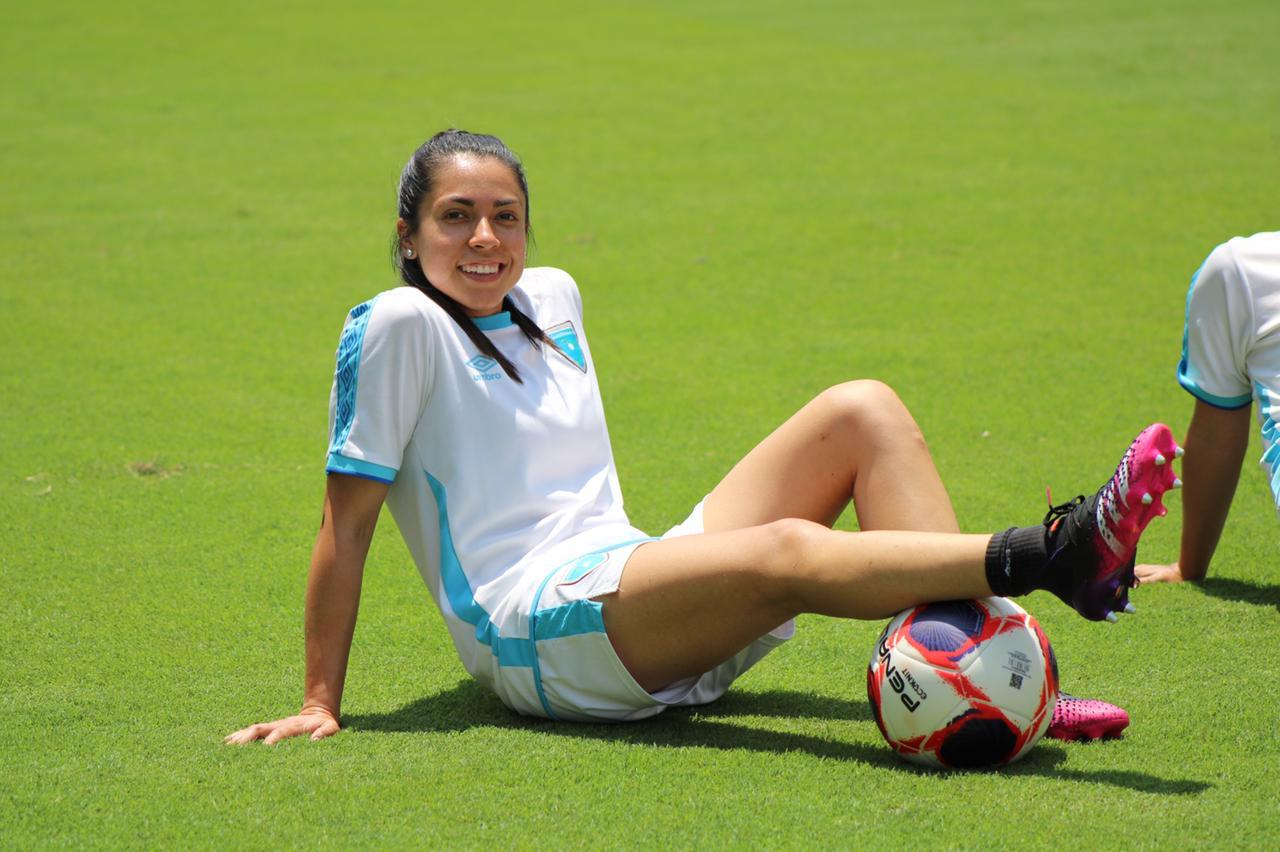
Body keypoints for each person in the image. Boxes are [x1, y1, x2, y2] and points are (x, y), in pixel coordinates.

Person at [226, 130, 1180, 745]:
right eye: (455, 218)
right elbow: (342, 527)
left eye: (502, 216)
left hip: (632, 578)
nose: (484, 238)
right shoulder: (396, 324)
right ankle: (1055, 554)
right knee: (786, 552)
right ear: (407, 236)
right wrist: (320, 700)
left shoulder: (551, 296)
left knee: (863, 408)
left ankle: (1007, 692)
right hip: (531, 631)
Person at [1137, 231, 1280, 585]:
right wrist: (1189, 566)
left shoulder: (1240, 270)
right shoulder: (1241, 272)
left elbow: (1217, 436)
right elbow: (1216, 437)